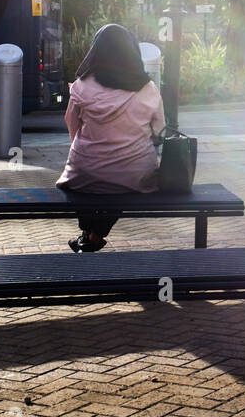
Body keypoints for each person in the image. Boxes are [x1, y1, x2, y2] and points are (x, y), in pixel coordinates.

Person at [56, 24, 165, 252]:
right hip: (134, 174)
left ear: (96, 51)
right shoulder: (148, 88)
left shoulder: (82, 85)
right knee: (122, 184)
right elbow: (160, 129)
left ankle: (88, 233)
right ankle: (94, 236)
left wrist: (83, 149)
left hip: (86, 171)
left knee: (85, 182)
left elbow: (71, 122)